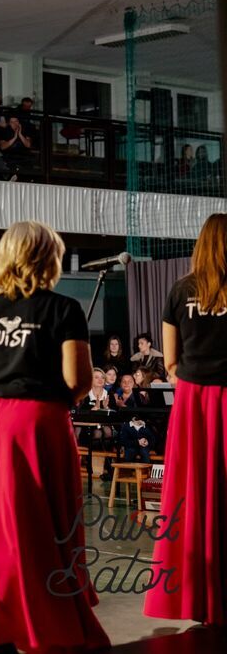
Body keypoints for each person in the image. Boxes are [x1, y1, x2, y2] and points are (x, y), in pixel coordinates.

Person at [0, 221, 109, 654]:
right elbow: (78, 380)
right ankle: (51, 625)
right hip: (39, 423)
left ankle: (0, 628)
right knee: (48, 527)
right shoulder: (63, 309)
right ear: (49, 259)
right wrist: (40, 406)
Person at [144, 213, 227, 627]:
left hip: (193, 402)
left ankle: (197, 593)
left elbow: (171, 361)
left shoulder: (180, 290)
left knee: (191, 493)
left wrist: (193, 379)